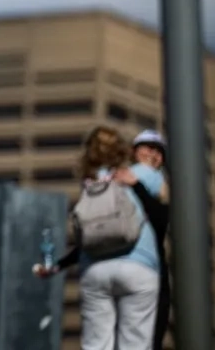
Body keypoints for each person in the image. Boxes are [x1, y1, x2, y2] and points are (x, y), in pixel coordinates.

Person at [33, 126, 164, 350]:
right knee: (135, 344)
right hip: (138, 264)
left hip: (94, 270)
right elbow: (169, 201)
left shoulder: (91, 184)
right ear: (125, 150)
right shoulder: (141, 173)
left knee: (96, 345)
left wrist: (57, 266)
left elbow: (88, 236)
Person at [130, 130, 170, 350]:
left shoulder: (116, 178)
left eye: (158, 151)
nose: (153, 154)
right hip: (147, 272)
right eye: (147, 147)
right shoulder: (155, 181)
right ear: (134, 152)